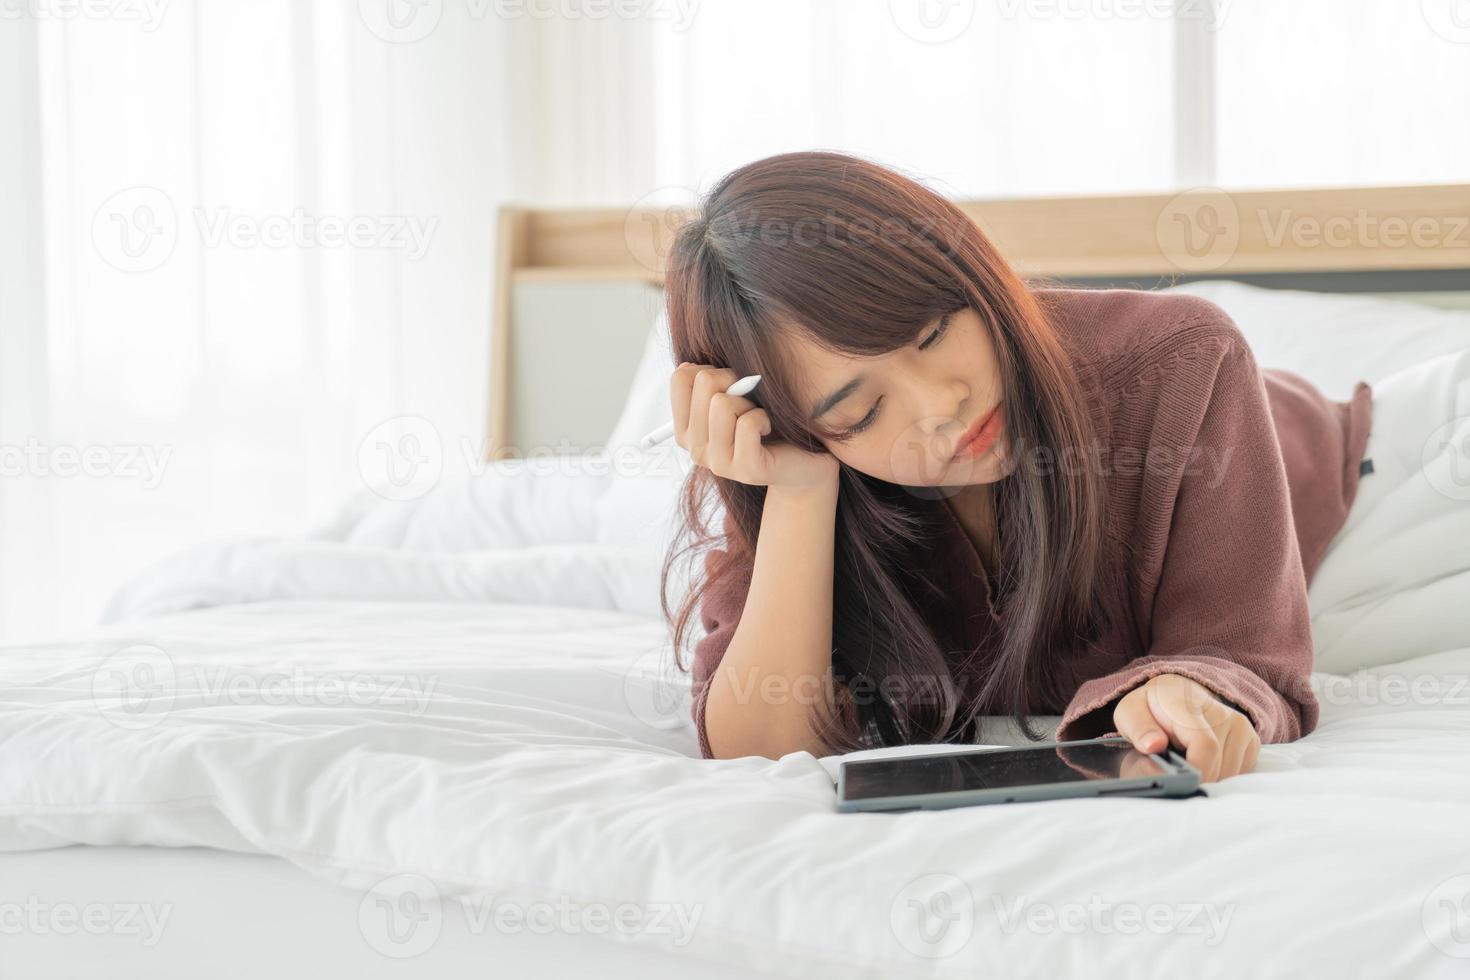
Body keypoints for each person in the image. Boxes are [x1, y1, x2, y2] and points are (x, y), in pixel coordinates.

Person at [657, 150, 1373, 783]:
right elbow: (756, 748)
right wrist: (797, 495)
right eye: (859, 411)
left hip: (1338, 464)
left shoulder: (1184, 360)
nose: (942, 405)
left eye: (934, 333)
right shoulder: (794, 455)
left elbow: (1243, 650)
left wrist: (1192, 687)